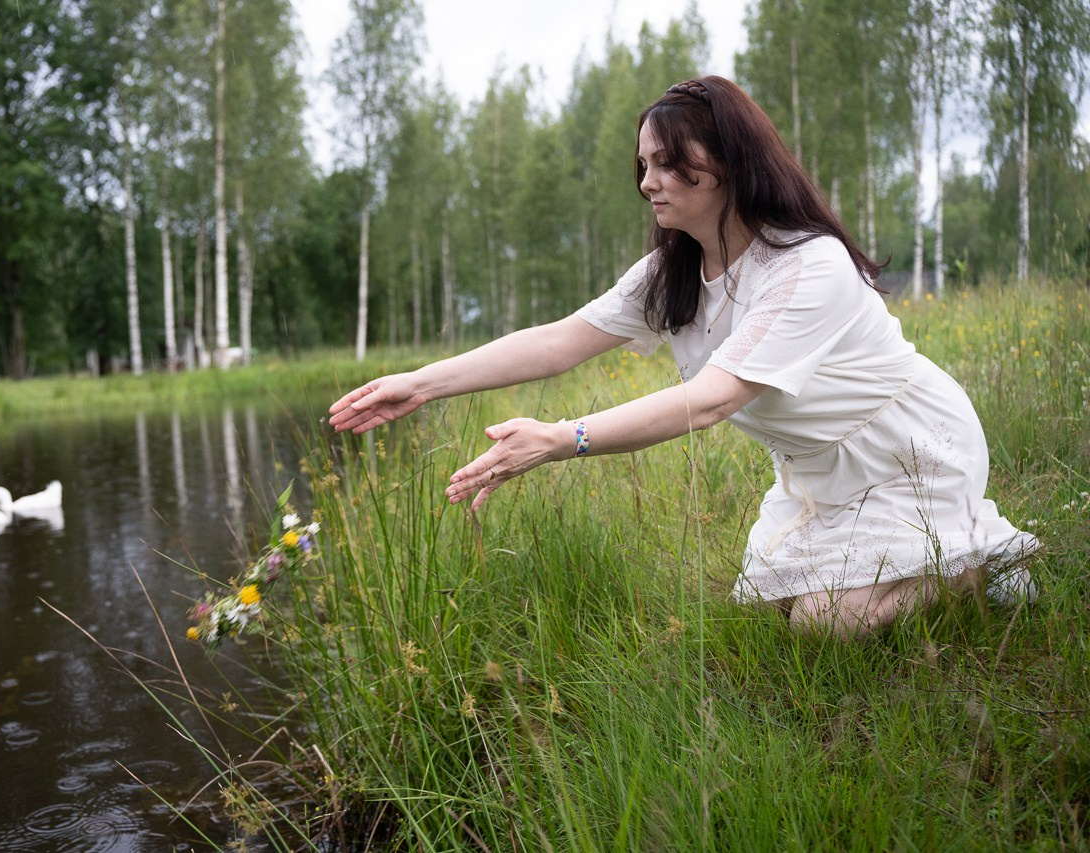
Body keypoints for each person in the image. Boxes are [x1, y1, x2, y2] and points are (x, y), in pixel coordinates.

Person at [328, 75, 1039, 639]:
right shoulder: (672, 271)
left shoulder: (808, 264)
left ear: (730, 161)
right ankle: (915, 569)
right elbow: (559, 341)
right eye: (643, 165)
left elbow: (718, 396)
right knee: (783, 613)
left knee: (832, 624)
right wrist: (420, 384)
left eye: (669, 162)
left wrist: (561, 439)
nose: (648, 181)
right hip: (818, 472)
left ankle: (974, 564)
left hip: (903, 449)